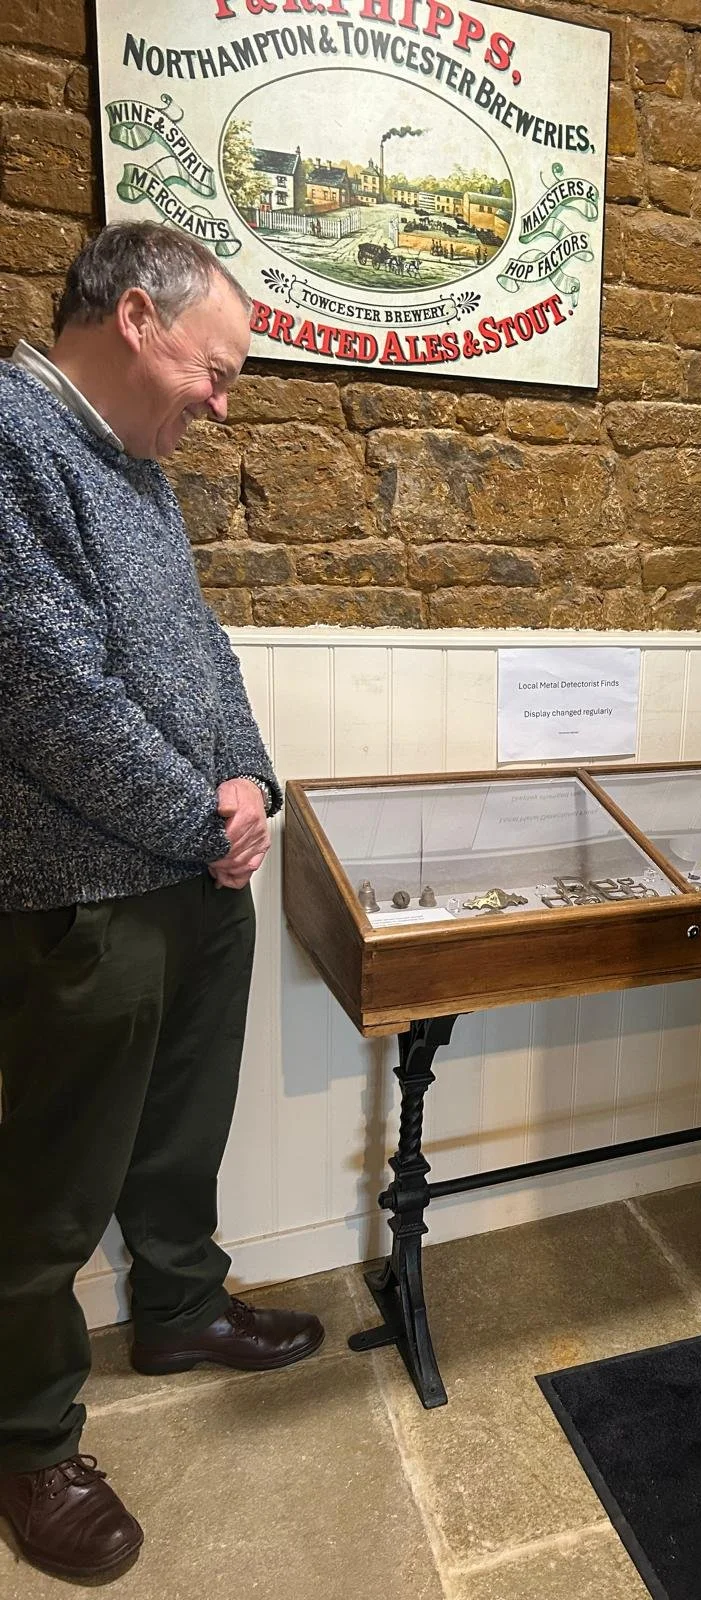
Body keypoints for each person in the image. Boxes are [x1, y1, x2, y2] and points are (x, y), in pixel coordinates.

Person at [0, 222, 325, 1584]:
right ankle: (26, 1439)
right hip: (84, 891)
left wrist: (248, 774)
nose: (222, 399)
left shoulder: (137, 463)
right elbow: (45, 691)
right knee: (54, 1185)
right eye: (219, 367)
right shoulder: (15, 436)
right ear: (137, 317)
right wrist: (203, 817)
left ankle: (181, 1309)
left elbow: (196, 644)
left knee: (179, 1130)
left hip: (193, 875)